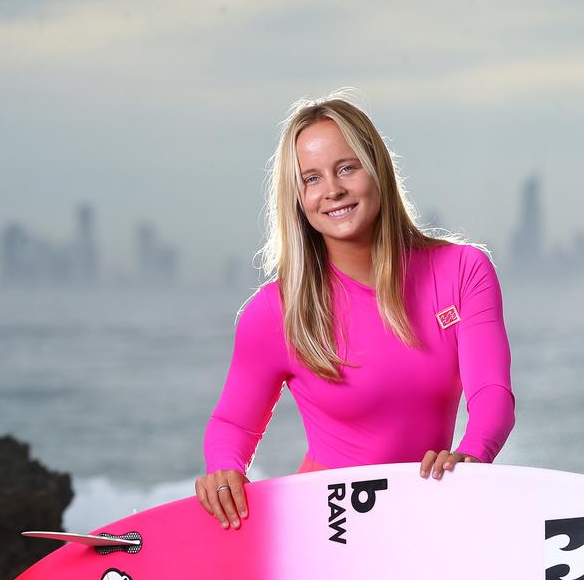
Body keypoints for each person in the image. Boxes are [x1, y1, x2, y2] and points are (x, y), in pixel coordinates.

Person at [195, 89, 516, 530]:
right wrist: (225, 470)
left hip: (428, 509)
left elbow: (491, 394)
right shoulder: (277, 311)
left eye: (347, 167)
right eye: (311, 178)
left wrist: (471, 457)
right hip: (331, 531)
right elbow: (233, 421)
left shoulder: (462, 271)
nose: (333, 190)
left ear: (377, 170)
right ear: (298, 199)